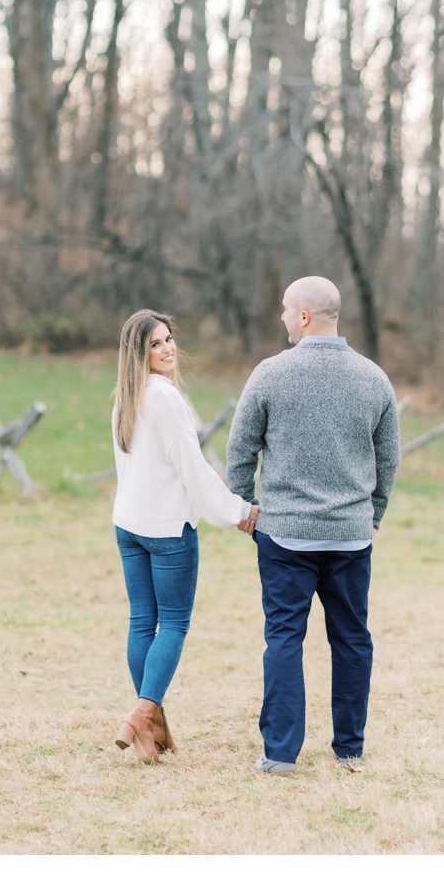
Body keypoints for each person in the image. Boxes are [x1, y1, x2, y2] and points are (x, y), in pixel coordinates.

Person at [226, 276, 401, 776]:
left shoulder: (269, 374)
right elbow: (388, 460)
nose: (282, 317)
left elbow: (240, 449)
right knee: (351, 638)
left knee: (284, 638)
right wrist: (373, 514)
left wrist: (248, 507)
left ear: (304, 316)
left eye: (285, 309)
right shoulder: (374, 378)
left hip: (283, 535)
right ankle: (349, 747)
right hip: (350, 535)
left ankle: (280, 753)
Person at [110, 310, 258, 764]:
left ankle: (151, 727)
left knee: (142, 623)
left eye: (169, 339)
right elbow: (192, 470)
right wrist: (237, 511)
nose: (168, 349)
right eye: (155, 344)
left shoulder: (123, 397)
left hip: (129, 524)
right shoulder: (167, 400)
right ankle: (140, 714)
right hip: (169, 529)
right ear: (139, 352)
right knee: (172, 624)